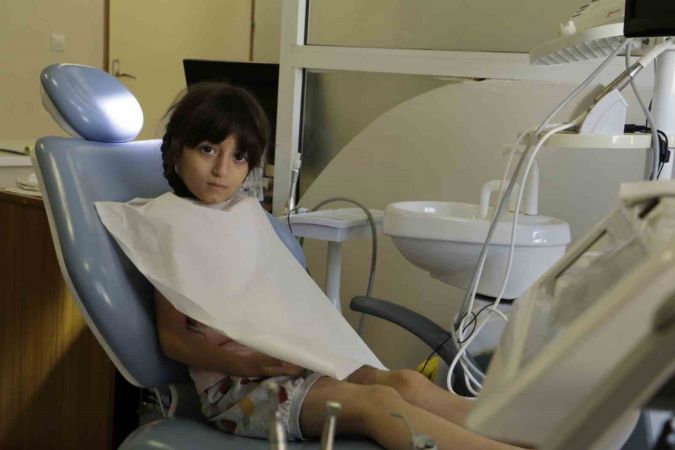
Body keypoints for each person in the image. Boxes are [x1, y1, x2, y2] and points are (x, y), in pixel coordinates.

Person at [154, 81, 522, 450]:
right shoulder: (169, 228)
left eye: (238, 157)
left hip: (294, 362)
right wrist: (255, 365)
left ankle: (537, 438)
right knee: (378, 404)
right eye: (207, 149)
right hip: (236, 389)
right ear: (177, 148)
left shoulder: (243, 215)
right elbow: (174, 340)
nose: (221, 169)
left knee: (406, 383)